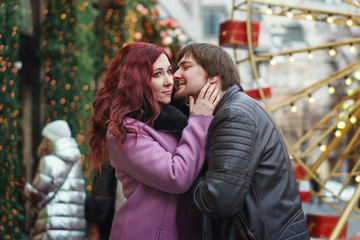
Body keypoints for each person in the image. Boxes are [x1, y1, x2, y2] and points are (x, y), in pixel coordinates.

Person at [173, 43, 310, 240]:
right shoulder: (235, 109)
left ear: (214, 76)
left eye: (185, 67)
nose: (176, 75)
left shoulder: (233, 114)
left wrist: (184, 171)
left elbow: (218, 201)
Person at [86, 42, 220, 240]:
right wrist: (199, 120)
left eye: (168, 71)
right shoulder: (124, 130)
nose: (169, 81)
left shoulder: (178, 117)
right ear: (136, 81)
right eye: (157, 74)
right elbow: (177, 177)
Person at [24, 120, 86, 239]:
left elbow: (37, 194)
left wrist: (26, 190)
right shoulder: (76, 163)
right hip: (75, 232)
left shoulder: (49, 161)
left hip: (52, 229)